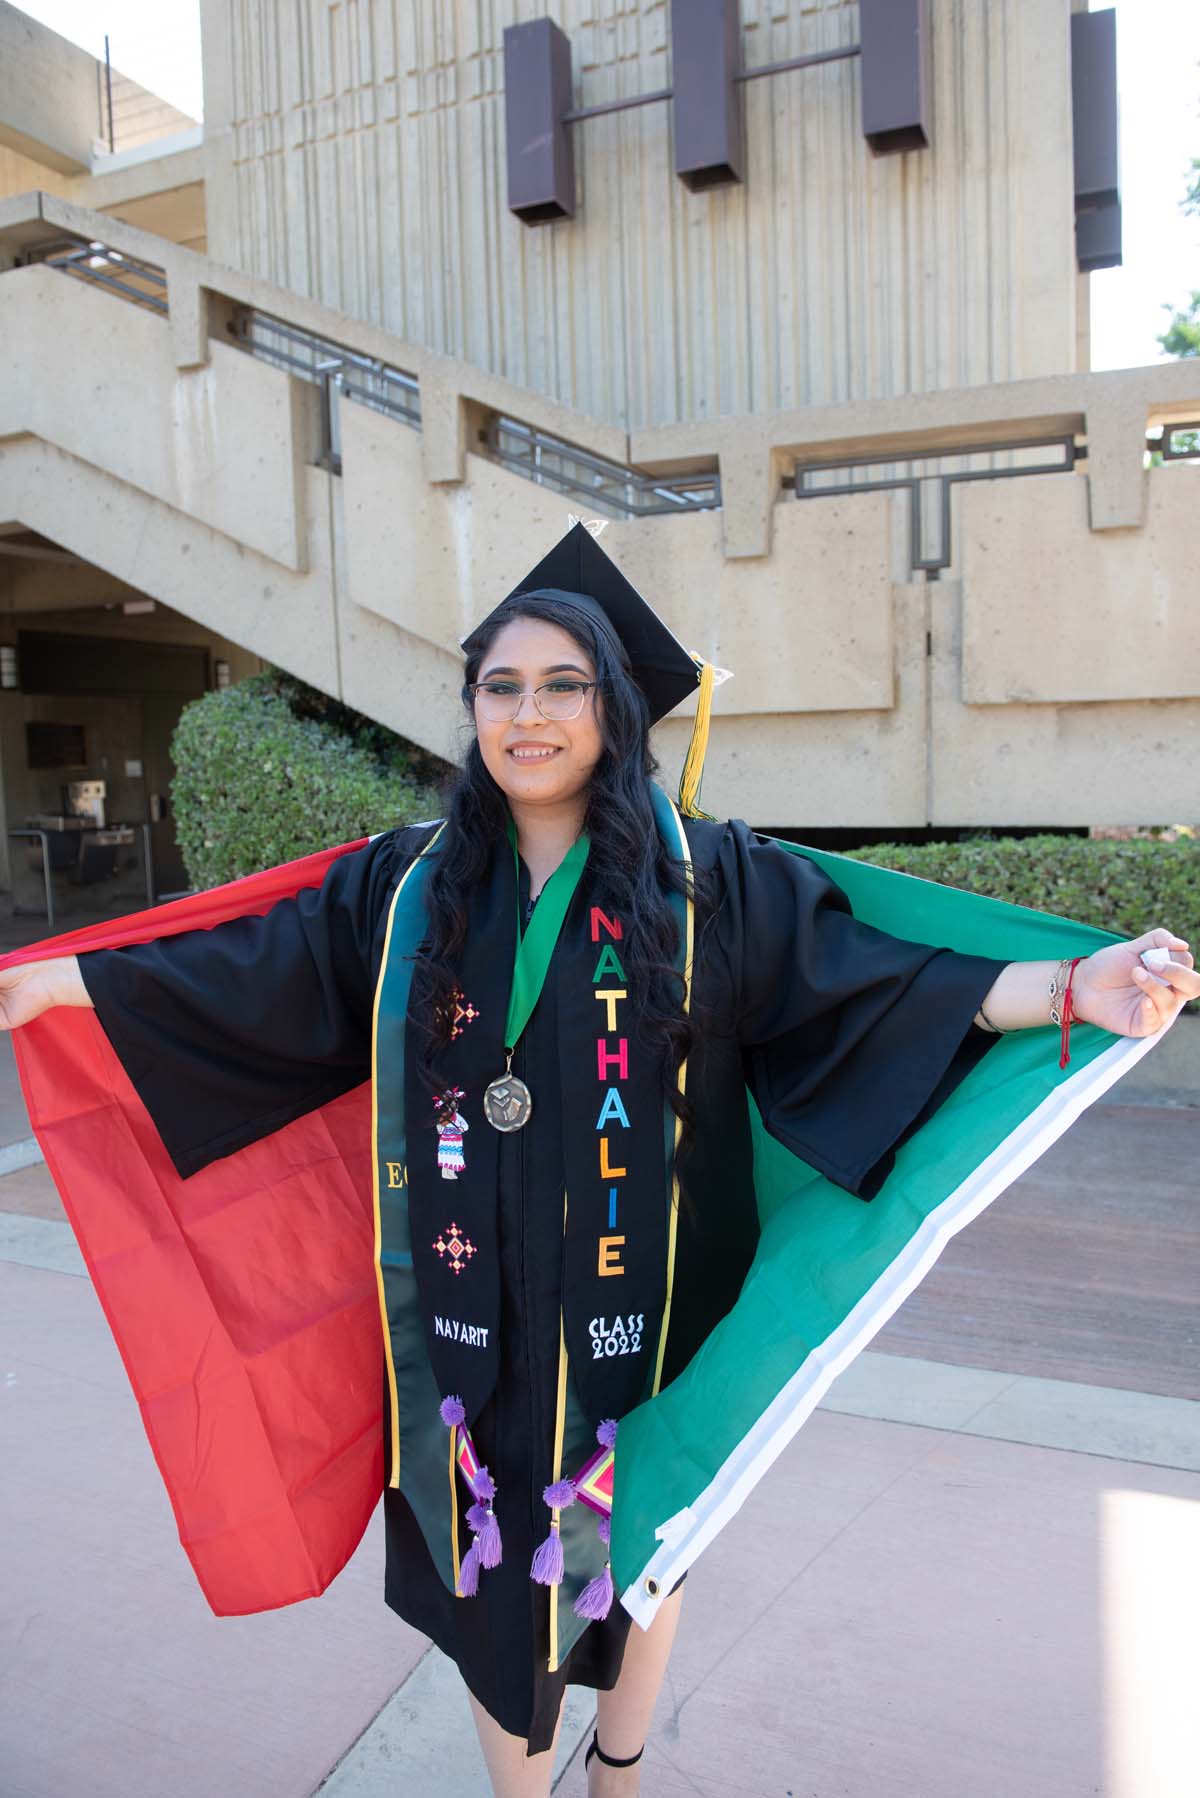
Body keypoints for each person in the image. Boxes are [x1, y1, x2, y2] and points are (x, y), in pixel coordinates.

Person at [1, 523, 1194, 1798]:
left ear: (613, 710)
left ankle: (617, 1766)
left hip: (633, 1319)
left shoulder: (703, 878)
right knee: (491, 1591)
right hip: (465, 1340)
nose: (529, 714)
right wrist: (38, 988)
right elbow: (235, 976)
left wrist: (1076, 983)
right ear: (473, 710)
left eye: (563, 685)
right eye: (501, 687)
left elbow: (876, 984)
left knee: (617, 1557)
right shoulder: (409, 888)